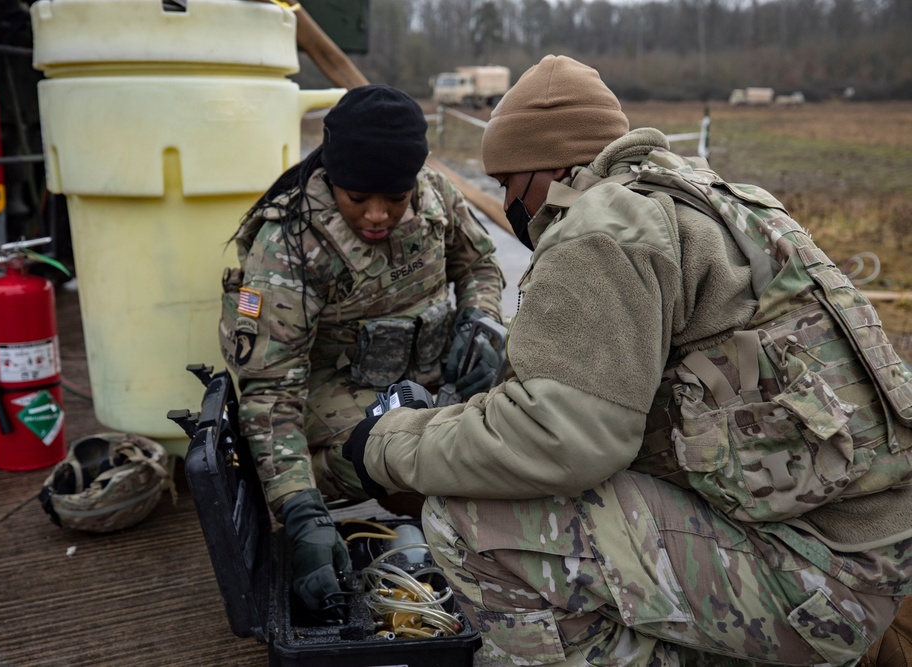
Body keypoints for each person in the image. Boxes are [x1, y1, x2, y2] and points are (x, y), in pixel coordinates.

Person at [342, 56, 912, 665]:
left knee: (469, 520)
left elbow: (559, 441)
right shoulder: (709, 201)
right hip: (870, 554)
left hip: (819, 586)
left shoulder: (603, 225)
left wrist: (386, 446)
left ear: (552, 168)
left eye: (509, 182)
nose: (509, 203)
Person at [220, 84, 505, 621]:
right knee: (413, 456)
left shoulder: (436, 197)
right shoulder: (290, 244)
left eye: (393, 201)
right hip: (336, 390)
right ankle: (341, 477)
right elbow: (271, 392)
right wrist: (299, 511)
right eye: (358, 200)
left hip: (428, 374)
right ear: (332, 178)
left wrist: (480, 319)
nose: (377, 216)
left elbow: (481, 266)